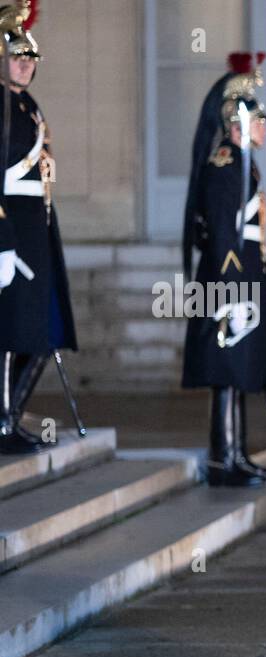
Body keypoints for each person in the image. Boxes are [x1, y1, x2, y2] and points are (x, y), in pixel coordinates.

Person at [180, 52, 266, 486]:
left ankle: (237, 453)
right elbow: (222, 237)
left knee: (239, 367)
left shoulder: (243, 165)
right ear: (237, 121)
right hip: (231, 281)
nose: (263, 128)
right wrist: (232, 293)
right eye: (257, 119)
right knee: (226, 368)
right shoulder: (224, 166)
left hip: (246, 278)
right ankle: (223, 458)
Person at [0, 1, 77, 455]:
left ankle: (8, 416)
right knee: (11, 334)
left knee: (42, 332)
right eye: (17, 56)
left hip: (36, 231)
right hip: (12, 231)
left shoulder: (27, 105)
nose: (26, 65)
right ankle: (3, 423)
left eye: (31, 58)